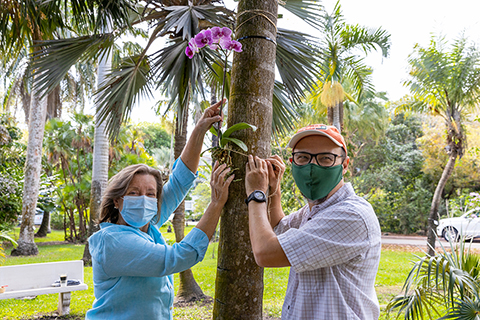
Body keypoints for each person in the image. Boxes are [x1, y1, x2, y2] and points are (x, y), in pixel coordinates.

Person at [86, 100, 235, 320]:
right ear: (117, 201)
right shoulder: (112, 241)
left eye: (150, 194)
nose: (143, 200)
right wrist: (215, 204)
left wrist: (200, 128)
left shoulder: (148, 225)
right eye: (134, 193)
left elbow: (180, 181)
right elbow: (177, 257)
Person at [244, 124, 381, 320]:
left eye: (326, 158)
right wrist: (274, 191)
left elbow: (266, 253)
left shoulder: (351, 215)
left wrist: (256, 194)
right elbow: (279, 230)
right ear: (292, 162)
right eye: (303, 158)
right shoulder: (315, 210)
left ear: (344, 165)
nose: (311, 167)